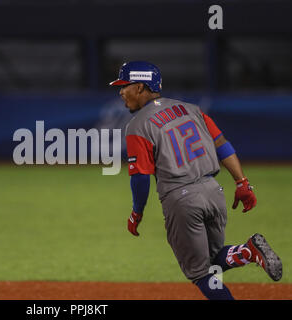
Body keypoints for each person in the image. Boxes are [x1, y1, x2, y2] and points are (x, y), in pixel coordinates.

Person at [109, 61, 283, 300]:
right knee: (211, 262)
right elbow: (223, 146)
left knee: (201, 274)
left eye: (124, 85)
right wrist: (242, 183)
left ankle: (247, 252)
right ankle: (247, 252)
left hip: (181, 200)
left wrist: (137, 212)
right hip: (214, 191)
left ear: (140, 87)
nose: (120, 91)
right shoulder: (191, 109)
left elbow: (139, 176)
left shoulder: (137, 125)